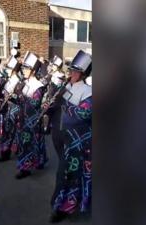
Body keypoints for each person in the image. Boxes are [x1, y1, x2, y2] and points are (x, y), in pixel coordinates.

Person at [49, 50, 92, 223]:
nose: (71, 73)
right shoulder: (66, 86)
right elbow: (58, 109)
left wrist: (63, 103)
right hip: (61, 136)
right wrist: (50, 105)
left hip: (77, 140)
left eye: (75, 71)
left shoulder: (89, 91)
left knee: (68, 174)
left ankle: (64, 206)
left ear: (83, 73)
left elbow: (84, 113)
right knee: (65, 171)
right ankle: (66, 202)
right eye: (71, 70)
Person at [14, 51, 47, 179]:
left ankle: (26, 168)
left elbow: (35, 103)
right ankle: (40, 160)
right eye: (23, 68)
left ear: (33, 70)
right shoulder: (25, 82)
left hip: (32, 119)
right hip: (23, 117)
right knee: (34, 141)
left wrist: (20, 95)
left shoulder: (38, 86)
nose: (23, 70)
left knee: (27, 143)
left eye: (26, 68)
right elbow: (20, 101)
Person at [0, 56, 23, 162]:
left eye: (8, 68)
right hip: (7, 108)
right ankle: (6, 151)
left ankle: (7, 152)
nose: (6, 70)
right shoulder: (8, 80)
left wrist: (12, 97)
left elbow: (20, 97)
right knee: (8, 131)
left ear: (13, 70)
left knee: (11, 131)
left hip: (15, 108)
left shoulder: (18, 81)